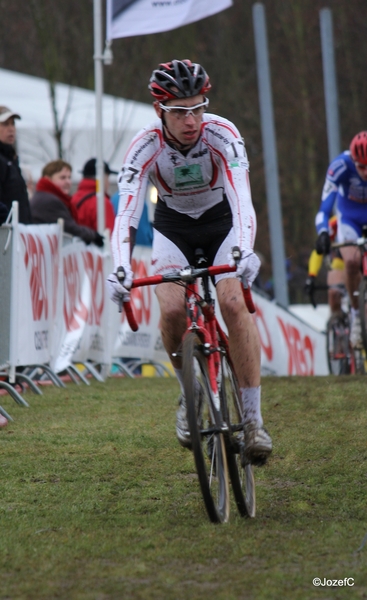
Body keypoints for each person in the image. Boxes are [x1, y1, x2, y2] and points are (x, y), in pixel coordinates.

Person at [107, 59, 272, 467]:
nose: (191, 119)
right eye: (180, 111)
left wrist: (246, 248)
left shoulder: (222, 133)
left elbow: (242, 198)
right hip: (173, 229)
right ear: (159, 111)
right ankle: (188, 392)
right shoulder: (144, 146)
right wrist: (121, 268)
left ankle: (253, 421)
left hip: (223, 225)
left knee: (233, 303)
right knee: (173, 310)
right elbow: (126, 215)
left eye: (198, 107)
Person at [315, 131, 367, 347]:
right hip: (350, 220)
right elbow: (325, 208)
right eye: (361, 167)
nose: (366, 172)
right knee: (352, 261)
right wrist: (323, 232)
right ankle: (356, 313)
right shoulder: (340, 165)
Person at [30, 159, 104, 247]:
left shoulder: (44, 196)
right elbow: (70, 228)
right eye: (63, 178)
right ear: (47, 179)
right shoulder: (50, 201)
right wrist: (93, 236)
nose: (68, 182)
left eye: (69, 177)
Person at [306, 215, 346, 317]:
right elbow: (318, 251)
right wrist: (311, 276)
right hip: (341, 263)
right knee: (334, 293)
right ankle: (336, 319)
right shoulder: (335, 223)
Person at [0, 106, 32, 224]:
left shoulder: (11, 159)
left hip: (19, 234)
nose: (11, 129)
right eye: (5, 124)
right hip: (6, 236)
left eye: (13, 124)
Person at [71, 158, 116, 235]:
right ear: (101, 177)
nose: (108, 182)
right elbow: (109, 235)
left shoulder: (73, 198)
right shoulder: (101, 202)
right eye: (107, 177)